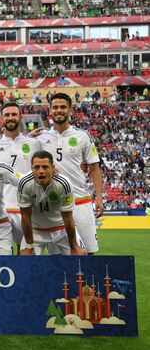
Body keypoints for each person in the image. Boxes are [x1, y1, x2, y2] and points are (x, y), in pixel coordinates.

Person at [38, 93, 103, 254]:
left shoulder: (82, 136)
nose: (59, 110)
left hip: (80, 201)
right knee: (58, 258)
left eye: (63, 107)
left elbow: (94, 168)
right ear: (50, 110)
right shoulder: (40, 138)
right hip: (55, 205)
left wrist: (99, 198)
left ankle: (88, 280)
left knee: (88, 252)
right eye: (55, 107)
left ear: (70, 110)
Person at [0, 102, 42, 250]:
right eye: (7, 115)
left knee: (27, 254)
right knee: (4, 255)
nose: (10, 118)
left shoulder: (34, 144)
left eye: (13, 114)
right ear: (1, 119)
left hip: (27, 207)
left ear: (20, 117)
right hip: (1, 209)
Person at [17, 151, 86, 255]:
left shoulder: (63, 183)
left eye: (45, 167)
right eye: (36, 167)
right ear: (31, 168)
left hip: (61, 230)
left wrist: (74, 246)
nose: (41, 171)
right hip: (36, 231)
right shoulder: (25, 183)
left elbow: (67, 217)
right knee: (25, 263)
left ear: (53, 168)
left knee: (80, 261)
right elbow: (25, 216)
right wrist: (29, 246)